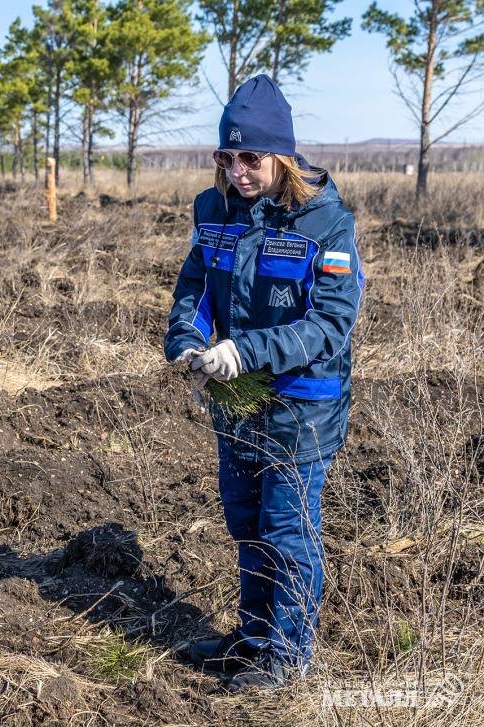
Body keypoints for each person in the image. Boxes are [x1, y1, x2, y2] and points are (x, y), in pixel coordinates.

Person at [163, 75, 363, 691]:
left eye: (252, 157)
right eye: (228, 156)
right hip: (235, 400)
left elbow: (330, 323)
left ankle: (289, 653)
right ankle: (253, 637)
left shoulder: (325, 223)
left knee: (286, 527)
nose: (240, 170)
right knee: (246, 521)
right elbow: (195, 287)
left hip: (302, 405)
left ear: (281, 155)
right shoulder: (214, 209)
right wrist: (187, 342)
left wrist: (245, 351)